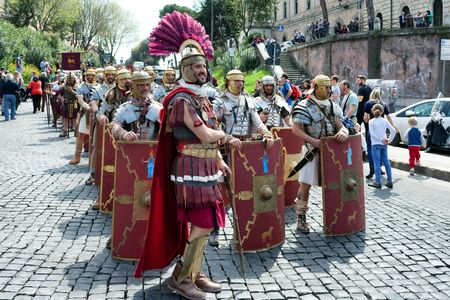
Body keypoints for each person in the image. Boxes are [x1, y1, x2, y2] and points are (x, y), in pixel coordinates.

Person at [136, 11, 230, 299]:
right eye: (197, 67)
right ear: (186, 70)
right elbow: (204, 135)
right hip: (189, 169)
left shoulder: (202, 97)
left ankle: (195, 273)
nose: (203, 71)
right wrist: (226, 138)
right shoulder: (181, 99)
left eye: (204, 66)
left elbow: (209, 135)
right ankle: (180, 277)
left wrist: (220, 159)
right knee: (203, 222)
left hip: (207, 166)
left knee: (207, 221)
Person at [209, 69, 274, 246]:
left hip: (246, 150)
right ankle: (215, 228)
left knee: (248, 188)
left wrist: (266, 133)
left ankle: (248, 227)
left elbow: (256, 121)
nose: (239, 84)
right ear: (228, 82)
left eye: (241, 81)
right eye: (236, 81)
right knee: (220, 189)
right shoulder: (219, 102)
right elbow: (212, 126)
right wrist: (228, 138)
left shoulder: (248, 100)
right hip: (225, 149)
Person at [291, 74, 349, 233]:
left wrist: (343, 131)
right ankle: (301, 219)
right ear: (316, 87)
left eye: (330, 87)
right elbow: (295, 130)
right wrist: (314, 141)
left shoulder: (332, 105)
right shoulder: (304, 105)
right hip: (311, 151)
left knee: (335, 184)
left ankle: (336, 217)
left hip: (331, 153)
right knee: (305, 185)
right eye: (326, 87)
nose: (329, 90)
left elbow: (340, 125)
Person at [91, 68, 131, 210]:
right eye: (124, 79)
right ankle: (103, 197)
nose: (127, 81)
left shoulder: (136, 92)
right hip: (114, 131)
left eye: (128, 78)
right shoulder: (111, 94)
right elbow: (101, 111)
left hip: (132, 131)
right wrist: (101, 116)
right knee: (110, 164)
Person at [84, 66, 117, 185]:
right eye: (108, 74)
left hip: (119, 122)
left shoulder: (120, 89)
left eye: (112, 74)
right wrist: (99, 114)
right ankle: (93, 173)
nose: (110, 76)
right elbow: (93, 103)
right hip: (102, 122)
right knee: (97, 146)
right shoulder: (98, 89)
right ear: (104, 75)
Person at [111, 71, 162, 141]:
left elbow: (167, 129)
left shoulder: (158, 108)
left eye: (147, 85)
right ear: (133, 86)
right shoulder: (124, 109)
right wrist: (123, 134)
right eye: (142, 85)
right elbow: (114, 126)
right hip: (129, 150)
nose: (145, 88)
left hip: (152, 150)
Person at [363, 89, 395, 179]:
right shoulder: (383, 104)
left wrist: (370, 121)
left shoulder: (368, 104)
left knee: (370, 149)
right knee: (383, 153)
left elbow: (365, 118)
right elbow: (389, 117)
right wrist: (393, 128)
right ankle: (381, 170)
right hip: (382, 133)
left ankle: (372, 169)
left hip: (372, 132)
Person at [368, 104, 395, 189]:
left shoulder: (371, 121)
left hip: (375, 144)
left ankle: (378, 182)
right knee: (386, 162)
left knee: (376, 163)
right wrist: (388, 140)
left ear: (373, 111)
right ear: (382, 111)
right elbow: (393, 131)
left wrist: (380, 139)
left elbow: (372, 135)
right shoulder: (385, 121)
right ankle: (390, 181)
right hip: (384, 144)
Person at [58, 72, 78, 138]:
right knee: (65, 119)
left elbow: (78, 96)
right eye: (69, 78)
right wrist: (63, 100)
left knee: (74, 119)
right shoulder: (64, 87)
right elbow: (60, 96)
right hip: (66, 104)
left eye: (71, 78)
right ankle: (65, 131)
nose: (70, 80)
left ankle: (76, 131)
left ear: (74, 79)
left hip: (74, 104)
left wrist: (72, 91)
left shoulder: (77, 87)